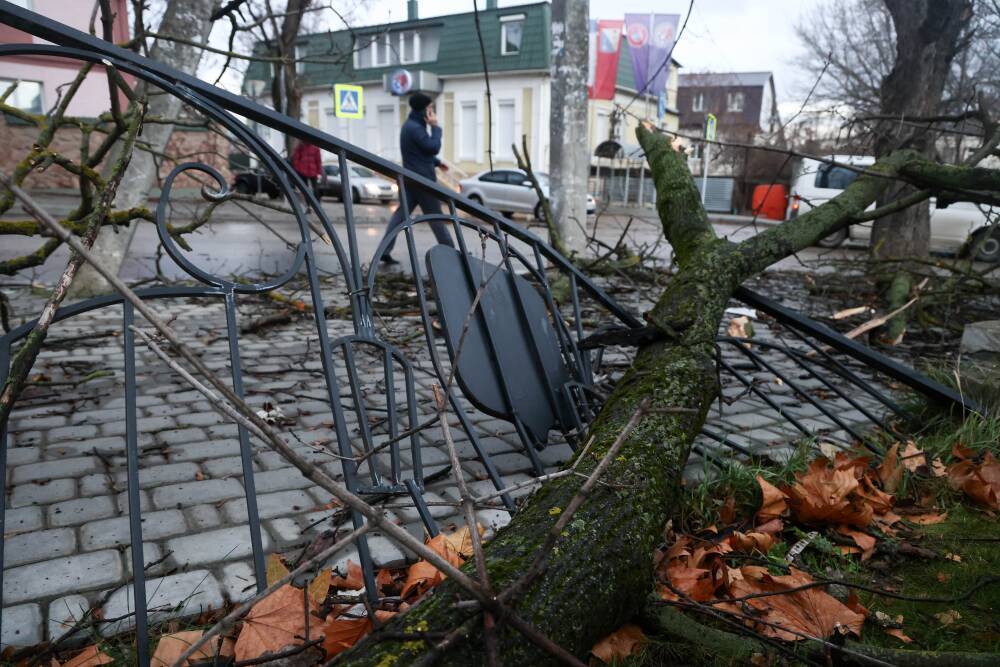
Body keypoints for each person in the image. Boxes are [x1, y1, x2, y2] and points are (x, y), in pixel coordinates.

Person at [379, 92, 455, 265]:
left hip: (411, 178)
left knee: (400, 216)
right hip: (422, 182)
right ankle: (452, 252)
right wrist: (436, 127)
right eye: (429, 108)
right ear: (423, 110)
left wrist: (437, 163)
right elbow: (432, 146)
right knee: (435, 216)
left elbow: (419, 153)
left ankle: (384, 250)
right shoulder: (415, 128)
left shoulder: (411, 126)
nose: (432, 111)